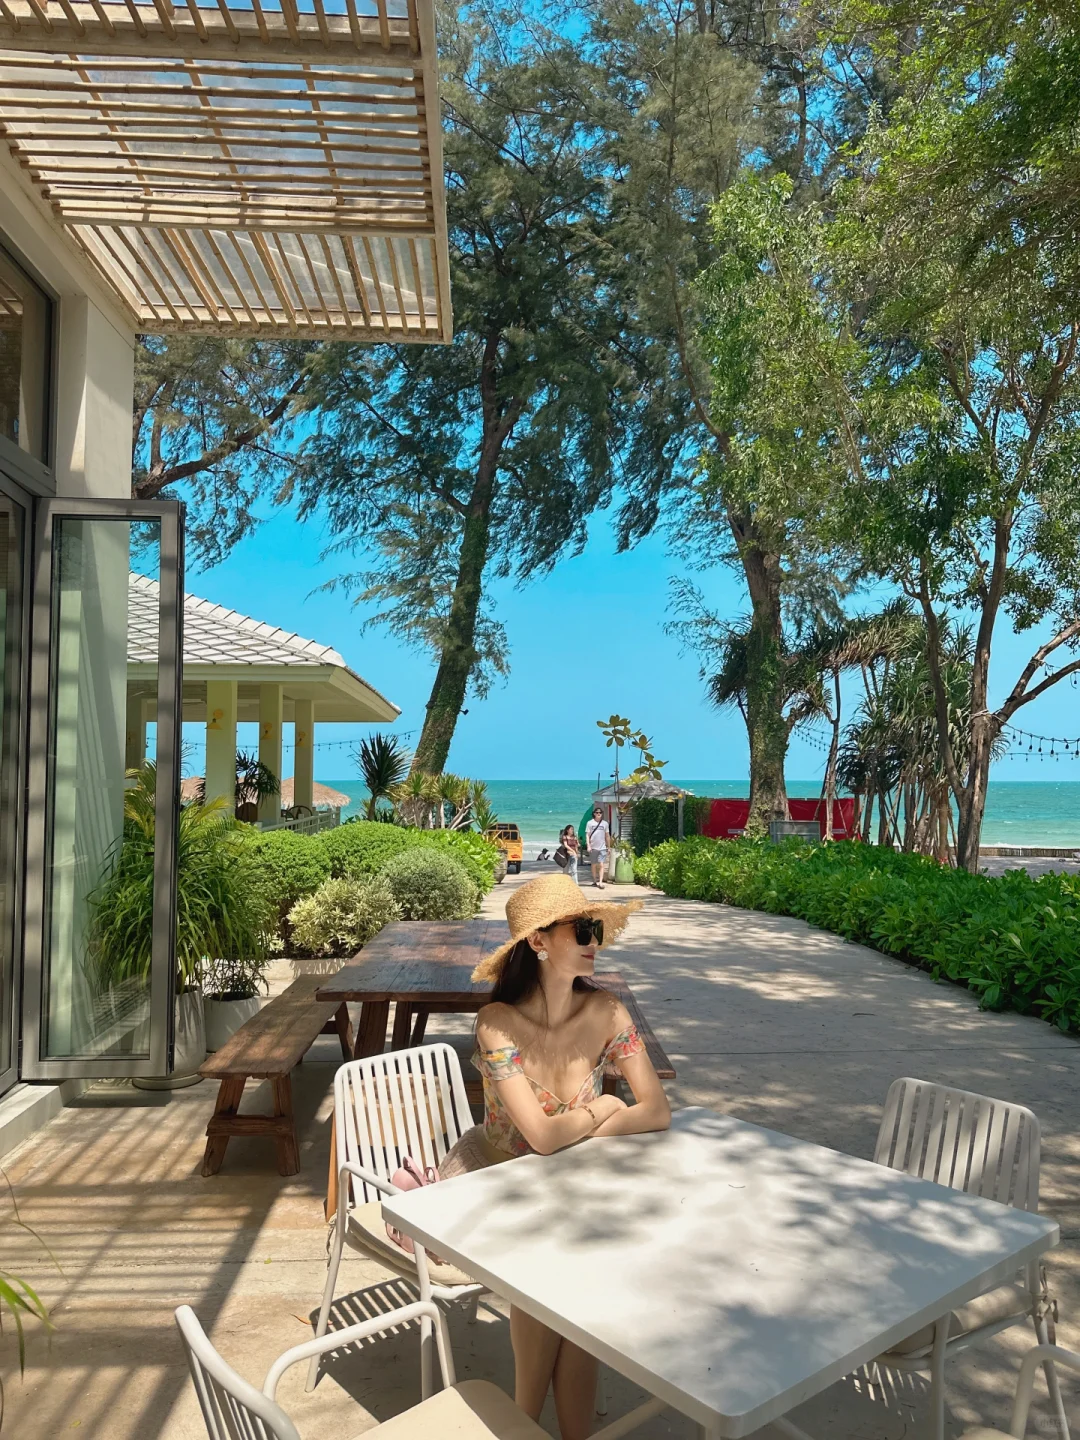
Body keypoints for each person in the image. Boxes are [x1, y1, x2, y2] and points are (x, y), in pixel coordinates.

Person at [439, 873, 670, 1440]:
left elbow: (658, 1110)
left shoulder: (608, 1011)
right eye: (582, 929)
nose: (595, 939)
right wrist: (601, 1110)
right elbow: (538, 1138)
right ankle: (525, 1421)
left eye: (595, 928)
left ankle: (548, 1430)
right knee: (556, 1287)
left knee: (577, 1297)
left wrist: (584, 1129)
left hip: (574, 1179)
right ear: (539, 942)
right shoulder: (498, 1023)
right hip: (498, 1180)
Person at [585, 804, 612, 889]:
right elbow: (587, 835)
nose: (598, 814)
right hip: (593, 847)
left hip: (602, 847)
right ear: (594, 814)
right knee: (593, 864)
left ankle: (600, 882)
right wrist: (588, 845)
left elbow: (607, 836)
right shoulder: (590, 823)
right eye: (597, 812)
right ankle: (594, 880)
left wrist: (609, 847)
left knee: (601, 864)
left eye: (600, 812)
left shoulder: (605, 824)